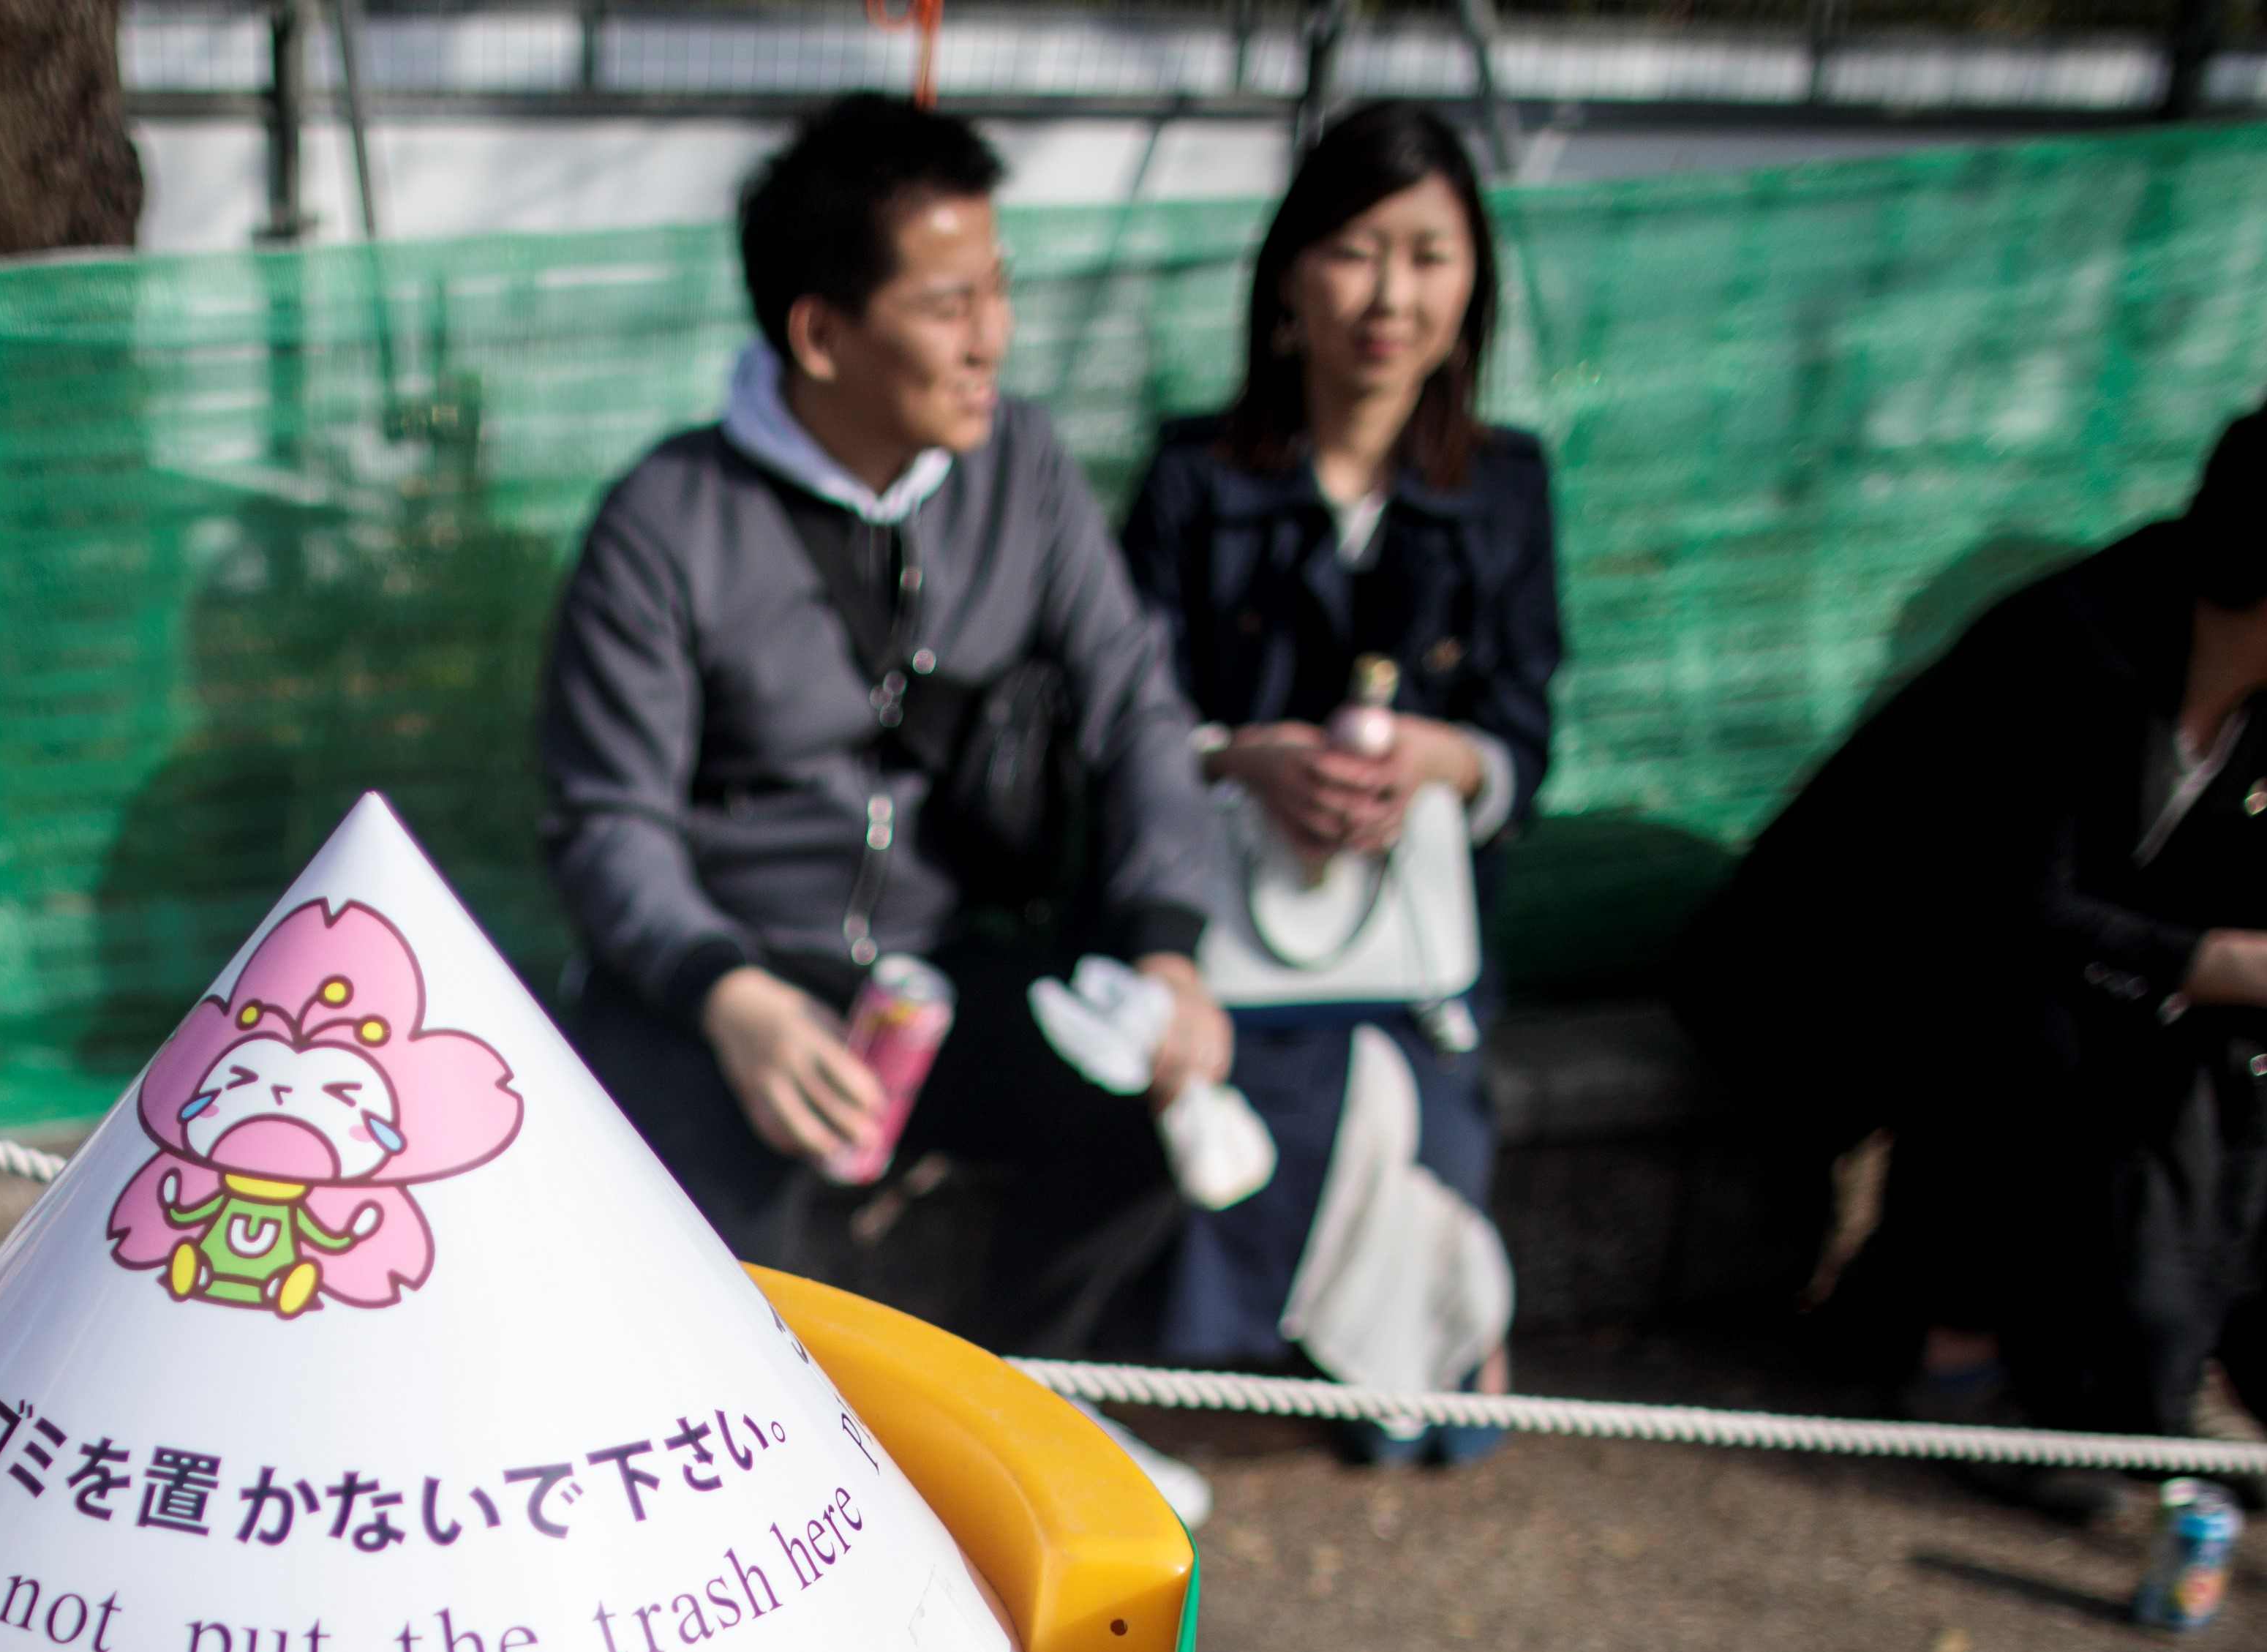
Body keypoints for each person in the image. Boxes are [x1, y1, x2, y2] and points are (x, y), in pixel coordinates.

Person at [1680, 371, 2267, 1488]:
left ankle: (2182, 1355)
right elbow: (2005, 916)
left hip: (2059, 967)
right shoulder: (2068, 656)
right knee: (2042, 1013)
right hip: (1836, 984)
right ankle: (1954, 1361)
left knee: (2265, 1024)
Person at [538, 94, 1231, 1346]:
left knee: (1149, 1123)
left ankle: (1022, 1400)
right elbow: (608, 822)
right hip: (724, 978)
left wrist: (1170, 950)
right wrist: (731, 998)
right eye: (948, 305)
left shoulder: (1024, 466)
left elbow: (1138, 711)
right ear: (820, 333)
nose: (992, 340)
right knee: (725, 1257)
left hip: (942, 968)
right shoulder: (663, 518)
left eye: (999, 291)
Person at [1117, 99, 1555, 1462]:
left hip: (1411, 946)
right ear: (1290, 277)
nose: (1391, 299)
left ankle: (1393, 1371)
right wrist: (1241, 758)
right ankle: (1250, 1380)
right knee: (1264, 1107)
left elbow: (1523, 738)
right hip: (1226, 933)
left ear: (1474, 282)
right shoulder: (1194, 479)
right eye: (1357, 253)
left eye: (1429, 257)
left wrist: (1436, 762)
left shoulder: (1506, 486)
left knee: (1421, 1120)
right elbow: (1127, 714)